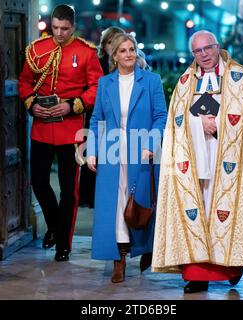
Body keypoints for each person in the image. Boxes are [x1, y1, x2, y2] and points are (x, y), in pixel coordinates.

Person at [152, 30, 243, 293]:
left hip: (231, 160)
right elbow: (175, 123)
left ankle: (232, 267)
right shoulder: (184, 82)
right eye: (197, 51)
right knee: (200, 215)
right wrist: (198, 123)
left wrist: (217, 125)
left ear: (217, 47)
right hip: (195, 163)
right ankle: (198, 275)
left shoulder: (238, 77)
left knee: (230, 213)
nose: (203, 55)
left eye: (208, 48)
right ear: (192, 53)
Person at [18, 4, 103, 262]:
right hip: (42, 127)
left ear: (73, 27)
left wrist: (73, 104)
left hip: (71, 129)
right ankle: (55, 226)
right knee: (39, 183)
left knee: (69, 190)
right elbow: (24, 81)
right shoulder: (36, 49)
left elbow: (96, 87)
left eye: (64, 29)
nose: (59, 33)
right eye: (55, 28)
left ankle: (63, 244)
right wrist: (31, 103)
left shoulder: (86, 53)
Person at [86, 33, 167, 283]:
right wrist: (91, 150)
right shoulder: (105, 83)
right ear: (114, 56)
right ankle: (118, 259)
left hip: (142, 151)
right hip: (111, 152)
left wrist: (152, 143)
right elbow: (97, 118)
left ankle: (146, 248)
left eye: (132, 49)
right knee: (116, 204)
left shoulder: (151, 81)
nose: (129, 54)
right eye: (123, 50)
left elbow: (161, 116)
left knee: (141, 202)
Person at [78, 26, 125, 209]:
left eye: (116, 42)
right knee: (94, 157)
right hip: (97, 115)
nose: (112, 46)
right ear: (104, 44)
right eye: (109, 42)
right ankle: (91, 197)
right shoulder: (96, 62)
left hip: (116, 117)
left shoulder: (124, 64)